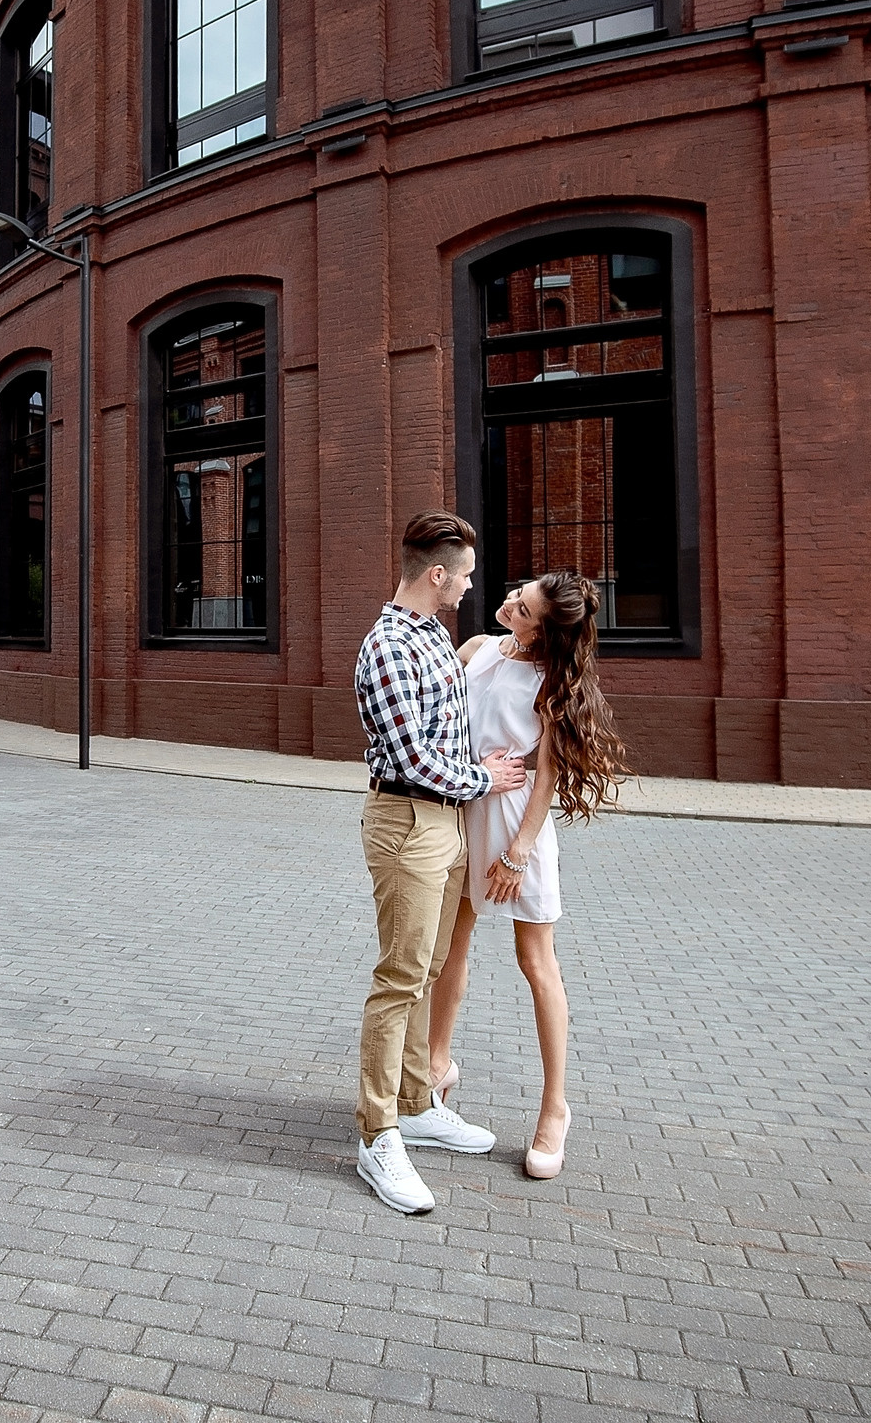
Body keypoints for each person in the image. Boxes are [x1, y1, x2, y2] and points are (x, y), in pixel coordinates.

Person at [350, 511, 528, 1215]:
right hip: (410, 822)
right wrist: (485, 778)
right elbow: (413, 759)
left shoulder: (435, 634)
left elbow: (447, 735)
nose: (470, 584)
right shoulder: (390, 645)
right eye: (465, 575)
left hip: (446, 822)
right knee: (398, 978)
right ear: (436, 575)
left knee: (427, 967)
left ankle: (418, 1102)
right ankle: (377, 1135)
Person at [425, 571, 630, 1180]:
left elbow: (544, 777)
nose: (510, 601)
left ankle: (553, 1109)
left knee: (536, 962)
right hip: (465, 807)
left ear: (542, 632)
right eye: (519, 592)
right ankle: (437, 1066)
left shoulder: (550, 682)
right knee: (450, 947)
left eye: (524, 607)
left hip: (518, 827)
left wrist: (517, 852)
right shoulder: (476, 648)